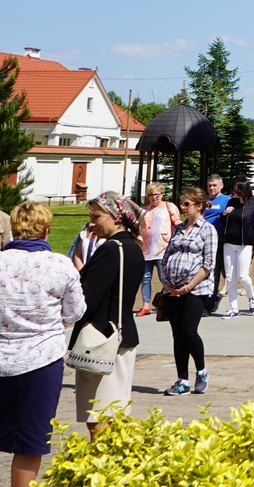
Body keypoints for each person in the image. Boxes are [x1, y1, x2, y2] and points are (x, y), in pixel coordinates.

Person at [0, 203, 86, 487]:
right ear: (47, 230)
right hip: (40, 360)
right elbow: (75, 312)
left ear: (14, 229)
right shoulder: (60, 266)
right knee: (30, 439)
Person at [70, 193, 145, 434]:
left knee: (100, 417)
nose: (92, 222)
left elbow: (87, 300)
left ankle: (102, 467)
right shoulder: (132, 247)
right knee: (115, 413)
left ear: (117, 217)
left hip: (102, 341)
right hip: (122, 336)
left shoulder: (112, 249)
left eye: (96, 216)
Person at [158, 189, 217, 396]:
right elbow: (166, 257)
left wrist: (188, 287)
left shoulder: (207, 230)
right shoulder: (178, 229)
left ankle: (201, 371)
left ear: (199, 206)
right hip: (172, 289)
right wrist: (166, 284)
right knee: (177, 335)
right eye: (182, 204)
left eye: (187, 204)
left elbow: (208, 263)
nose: (182, 208)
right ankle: (182, 379)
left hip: (195, 289)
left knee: (189, 331)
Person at [219, 186, 254, 318]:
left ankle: (251, 297)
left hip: (245, 244)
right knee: (229, 277)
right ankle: (233, 308)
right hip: (229, 243)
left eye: (236, 191)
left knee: (242, 276)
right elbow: (223, 221)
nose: (233, 194)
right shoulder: (231, 202)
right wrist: (224, 214)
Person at [137, 183, 177, 313]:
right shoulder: (144, 210)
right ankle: (146, 305)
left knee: (164, 277)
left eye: (156, 194)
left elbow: (177, 223)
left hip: (163, 247)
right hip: (147, 249)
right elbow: (138, 227)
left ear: (162, 194)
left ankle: (168, 302)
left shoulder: (168, 206)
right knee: (145, 278)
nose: (154, 197)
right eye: (151, 195)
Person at [203, 174, 231, 315]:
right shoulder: (203, 200)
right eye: (209, 185)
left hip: (219, 238)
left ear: (221, 185)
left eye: (214, 185)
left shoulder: (227, 200)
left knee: (216, 270)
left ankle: (211, 301)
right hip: (203, 238)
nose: (212, 188)